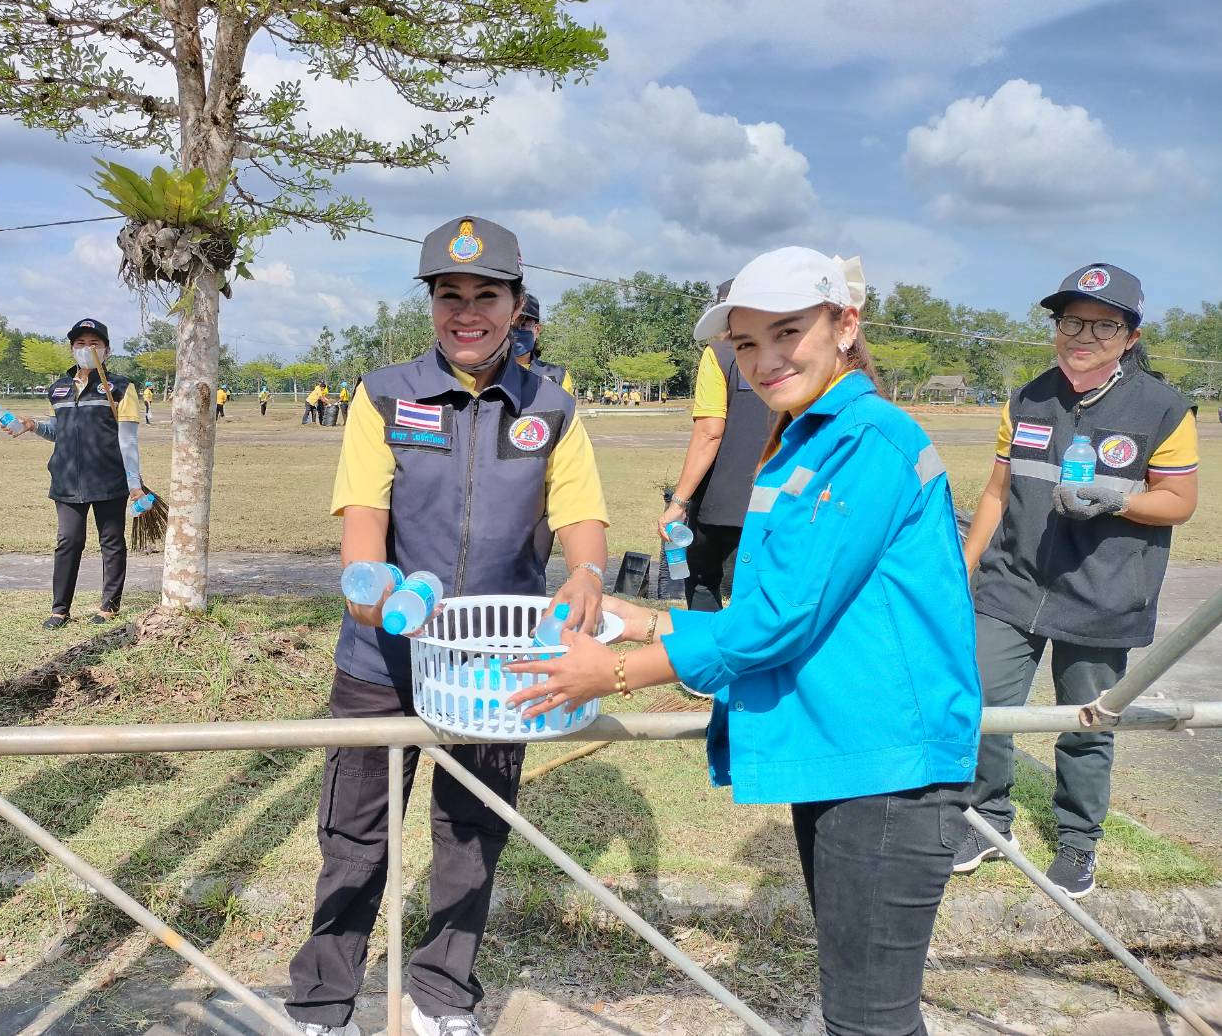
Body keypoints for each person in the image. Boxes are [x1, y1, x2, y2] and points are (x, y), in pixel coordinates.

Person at [510, 246, 981, 1036]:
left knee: (869, 1021)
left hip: (888, 770)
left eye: (787, 332)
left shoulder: (867, 441)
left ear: (845, 324)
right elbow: (783, 607)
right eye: (745, 344)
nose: (764, 361)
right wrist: (653, 620)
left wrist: (616, 672)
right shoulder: (806, 437)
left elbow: (779, 624)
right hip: (847, 753)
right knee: (862, 1011)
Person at [286, 216, 610, 1036]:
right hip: (381, 662)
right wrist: (369, 583)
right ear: (431, 304)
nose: (467, 312)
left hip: (494, 670)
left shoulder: (551, 408)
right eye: (449, 296)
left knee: (470, 840)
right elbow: (363, 511)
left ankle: (439, 997)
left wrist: (587, 574)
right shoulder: (383, 394)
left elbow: (582, 520)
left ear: (515, 303)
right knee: (354, 841)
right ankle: (325, 1006)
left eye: (485, 296)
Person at [956, 263, 1199, 899]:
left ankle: (1078, 840)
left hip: (1102, 591)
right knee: (983, 704)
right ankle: (987, 822)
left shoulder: (1164, 409)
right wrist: (966, 566)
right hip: (1012, 584)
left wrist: (1117, 502)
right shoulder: (1028, 399)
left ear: (1131, 336)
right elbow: (996, 490)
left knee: (1088, 722)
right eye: (1070, 321)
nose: (1082, 335)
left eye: (1102, 325)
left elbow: (1179, 502)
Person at [8, 318, 145, 629]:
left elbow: (128, 439)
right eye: (80, 344)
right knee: (68, 540)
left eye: (94, 344)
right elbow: (62, 431)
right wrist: (33, 426)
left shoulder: (121, 388)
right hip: (67, 478)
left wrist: (133, 484)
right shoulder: (58, 389)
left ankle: (109, 606)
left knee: (111, 541)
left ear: (107, 350)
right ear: (72, 350)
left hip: (109, 478)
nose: (87, 349)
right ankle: (60, 610)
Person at [659, 279, 773, 611]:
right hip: (776, 499)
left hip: (719, 506)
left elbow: (709, 433)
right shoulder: (792, 359)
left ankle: (708, 658)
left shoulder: (718, 355)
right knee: (759, 599)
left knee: (703, 583)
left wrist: (678, 501)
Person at [511, 292, 576, 393]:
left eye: (523, 324)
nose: (514, 332)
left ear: (537, 330)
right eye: (509, 325)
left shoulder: (558, 376)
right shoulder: (485, 375)